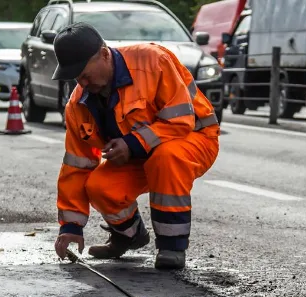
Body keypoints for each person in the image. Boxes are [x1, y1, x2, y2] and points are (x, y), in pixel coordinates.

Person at [51, 23, 220, 270]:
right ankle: (129, 236)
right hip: (143, 155)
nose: (83, 83)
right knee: (99, 186)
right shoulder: (78, 106)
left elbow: (181, 121)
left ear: (104, 54)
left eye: (86, 74)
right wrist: (71, 227)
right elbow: (77, 165)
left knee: (166, 157)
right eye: (78, 78)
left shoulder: (153, 61)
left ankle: (171, 247)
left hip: (193, 139)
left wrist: (132, 144)